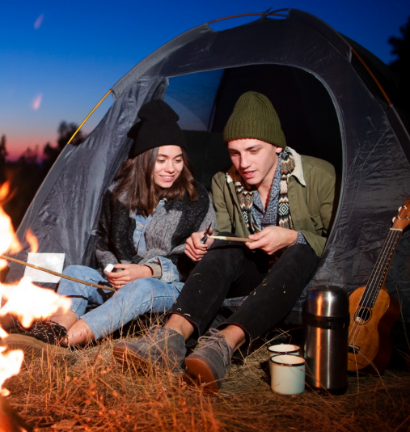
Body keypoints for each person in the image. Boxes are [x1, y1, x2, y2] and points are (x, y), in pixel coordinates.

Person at [113, 91, 336, 392]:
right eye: (234, 152)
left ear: (277, 146)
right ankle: (169, 339)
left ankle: (222, 345)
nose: (243, 163)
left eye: (253, 150)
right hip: (254, 275)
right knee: (225, 244)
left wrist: (293, 236)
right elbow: (228, 236)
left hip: (304, 280)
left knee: (300, 250)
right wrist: (202, 244)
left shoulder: (319, 176)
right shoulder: (224, 182)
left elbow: (341, 243)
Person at [5, 99, 215, 356]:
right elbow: (104, 243)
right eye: (161, 160)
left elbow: (194, 263)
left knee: (142, 287)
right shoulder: (118, 196)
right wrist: (112, 269)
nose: (171, 169)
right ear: (144, 160)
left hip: (169, 287)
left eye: (178, 160)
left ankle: (63, 344)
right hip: (122, 282)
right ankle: (51, 331)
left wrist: (147, 271)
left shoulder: (196, 200)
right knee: (77, 272)